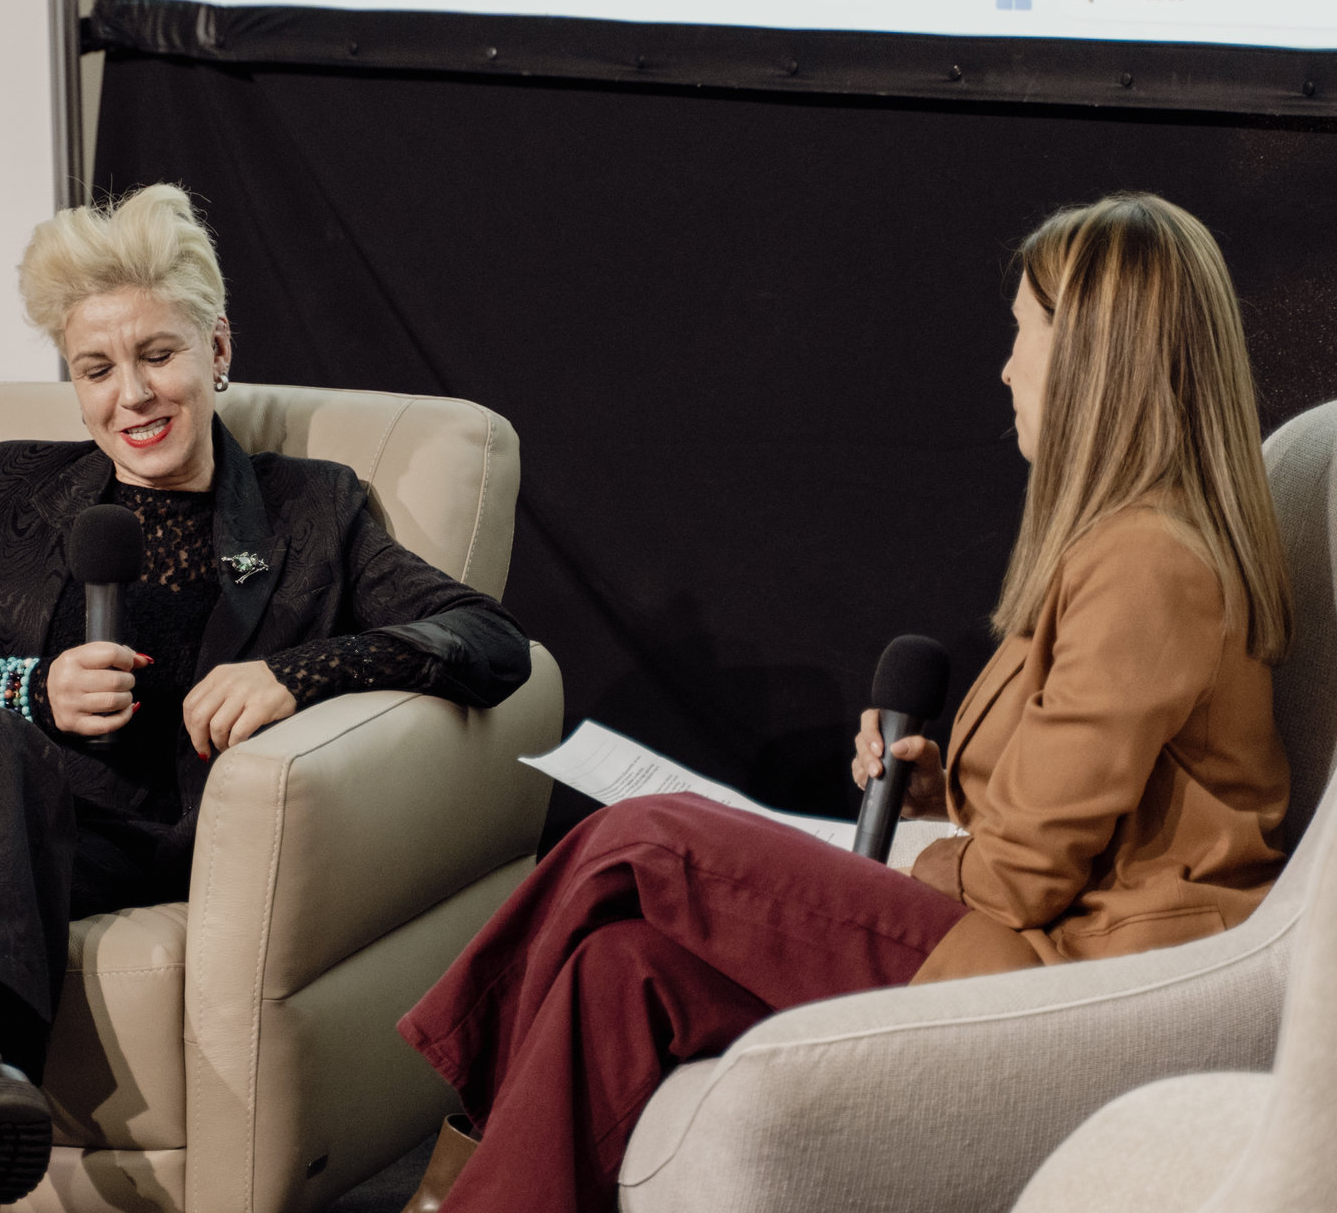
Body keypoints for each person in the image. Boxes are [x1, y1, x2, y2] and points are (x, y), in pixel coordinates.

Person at [395, 192, 1293, 1213]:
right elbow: (1082, 810)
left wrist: (903, 860)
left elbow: (1018, 883)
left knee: (642, 840)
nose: (1006, 369)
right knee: (620, 970)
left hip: (1071, 979)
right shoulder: (1122, 544)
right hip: (1026, 936)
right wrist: (939, 795)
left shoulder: (1146, 565)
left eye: (1023, 334)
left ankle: (460, 1113)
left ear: (1096, 359)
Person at [0, 183, 532, 1212]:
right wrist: (31, 686)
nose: (133, 396)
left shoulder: (311, 509)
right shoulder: (21, 494)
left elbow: (486, 639)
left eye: (158, 354)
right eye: (97, 368)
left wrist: (293, 674)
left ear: (216, 350)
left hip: (121, 837)